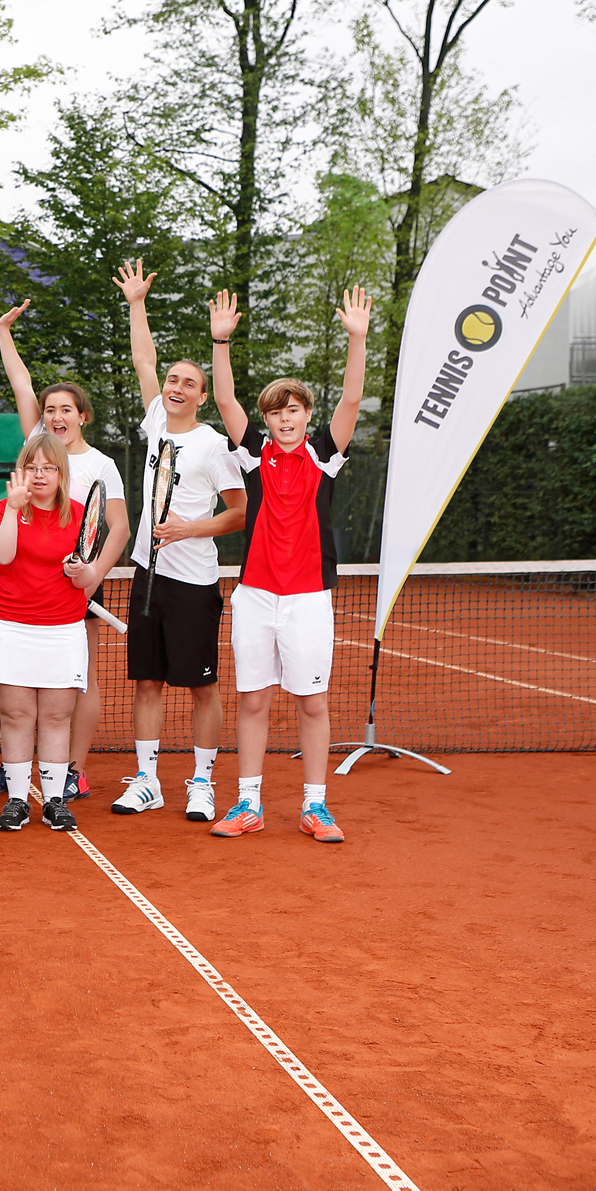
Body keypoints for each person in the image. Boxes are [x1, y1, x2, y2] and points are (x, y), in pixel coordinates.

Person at [208, 285, 371, 844]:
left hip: (308, 598)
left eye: (294, 410)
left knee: (313, 700)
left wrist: (358, 337)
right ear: (268, 420)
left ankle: (315, 806)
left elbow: (351, 401)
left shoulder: (324, 455)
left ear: (306, 416)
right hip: (254, 595)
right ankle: (248, 802)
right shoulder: (252, 454)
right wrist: (220, 341)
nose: (284, 419)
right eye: (276, 412)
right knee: (253, 700)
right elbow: (226, 401)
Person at [113, 259, 250, 821]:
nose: (175, 387)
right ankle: (147, 780)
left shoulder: (215, 445)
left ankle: (201, 781)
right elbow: (143, 359)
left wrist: (191, 528)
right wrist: (137, 303)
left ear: (200, 396)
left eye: (188, 383)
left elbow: (239, 514)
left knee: (201, 687)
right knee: (146, 682)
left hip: (194, 580)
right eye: (172, 380)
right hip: (148, 577)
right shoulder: (153, 421)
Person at [0, 302, 131, 802]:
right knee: (16, 689)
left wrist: (95, 572)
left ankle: (74, 769)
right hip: (23, 596)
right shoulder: (37, 451)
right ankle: (16, 772)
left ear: (82, 417)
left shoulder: (101, 464)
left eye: (65, 410)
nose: (55, 416)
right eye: (50, 410)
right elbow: (20, 383)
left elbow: (117, 526)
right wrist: (6, 333)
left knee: (80, 681)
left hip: (76, 593)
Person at [0, 434, 102, 833]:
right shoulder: (4, 509)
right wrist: (16, 511)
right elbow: (2, 555)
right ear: (21, 471)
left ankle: (54, 801)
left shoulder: (81, 515)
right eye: (32, 467)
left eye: (48, 468)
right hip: (11, 626)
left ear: (61, 474)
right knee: (16, 716)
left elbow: (89, 573)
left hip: (63, 629)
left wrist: (78, 571)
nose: (39, 475)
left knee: (56, 716)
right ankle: (17, 801)